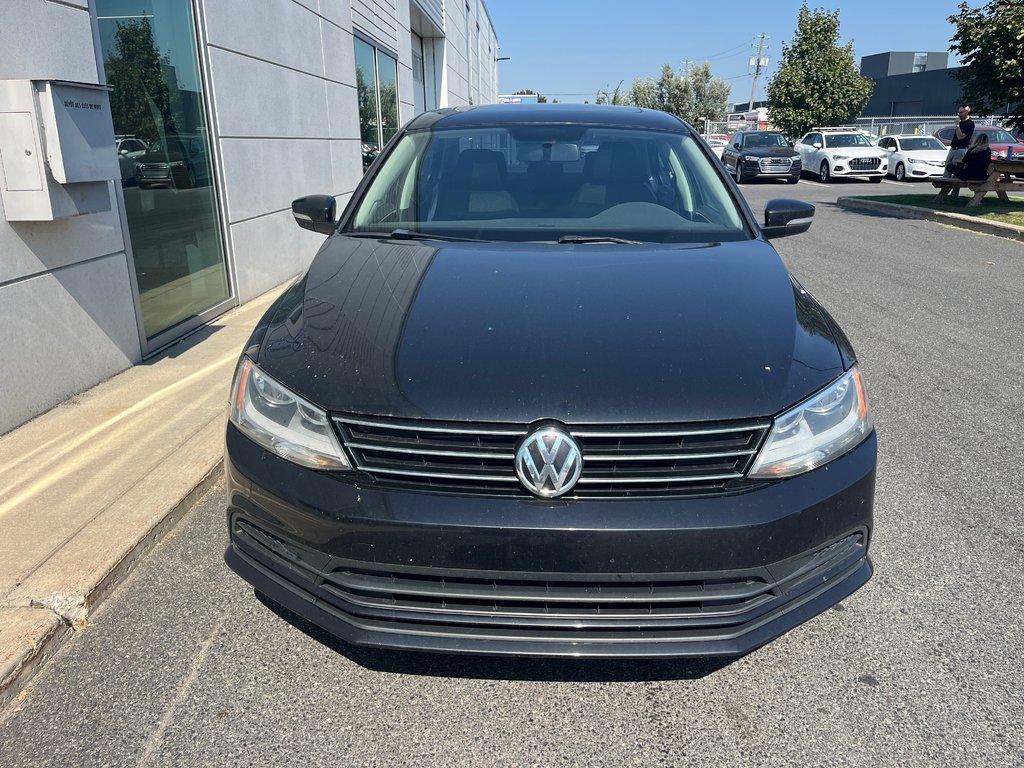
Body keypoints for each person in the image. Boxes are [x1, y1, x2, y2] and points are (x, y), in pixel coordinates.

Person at [945, 106, 975, 196]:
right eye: (958, 112)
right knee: (947, 168)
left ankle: (954, 194)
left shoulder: (969, 124)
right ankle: (943, 191)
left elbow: (960, 137)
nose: (959, 114)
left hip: (961, 149)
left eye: (961, 112)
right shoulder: (961, 123)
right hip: (953, 148)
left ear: (967, 112)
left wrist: (957, 125)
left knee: (956, 171)